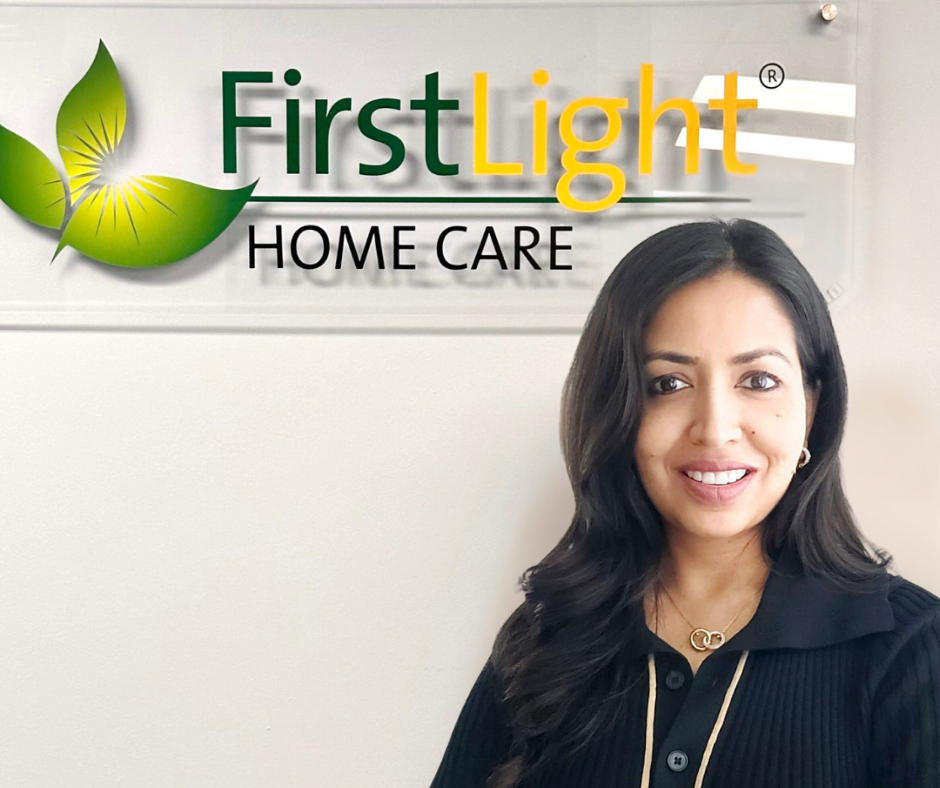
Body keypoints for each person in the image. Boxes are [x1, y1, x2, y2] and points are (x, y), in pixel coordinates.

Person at [427, 219, 940, 788]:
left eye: (758, 380)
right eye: (668, 384)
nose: (715, 429)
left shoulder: (910, 648)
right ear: (619, 410)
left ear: (812, 407)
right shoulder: (545, 638)